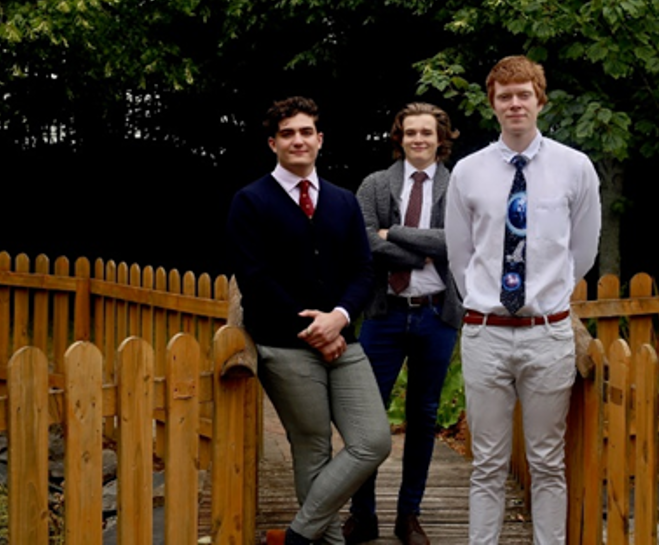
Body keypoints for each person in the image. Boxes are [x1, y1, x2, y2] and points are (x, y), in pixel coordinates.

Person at [444, 56, 601, 545]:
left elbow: (584, 250)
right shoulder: (469, 172)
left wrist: (546, 297)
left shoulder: (575, 168)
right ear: (493, 103)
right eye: (505, 95)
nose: (515, 103)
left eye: (524, 94)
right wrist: (484, 302)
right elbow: (459, 254)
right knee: (487, 462)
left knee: (547, 461)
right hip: (486, 334)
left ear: (539, 99)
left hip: (547, 335)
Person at [227, 96, 392, 545]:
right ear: (272, 143)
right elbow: (255, 278)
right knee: (313, 446)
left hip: (343, 340)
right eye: (287, 133)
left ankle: (299, 536)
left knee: (373, 442)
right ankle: (328, 544)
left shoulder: (342, 201)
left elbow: (363, 270)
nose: (297, 140)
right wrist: (312, 330)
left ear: (320, 139)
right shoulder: (250, 201)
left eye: (306, 132)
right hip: (284, 345)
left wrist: (337, 319)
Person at [344, 103, 462, 545]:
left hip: (436, 314)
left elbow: (459, 243)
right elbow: (364, 242)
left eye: (426, 133)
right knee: (366, 418)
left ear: (440, 138)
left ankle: (409, 516)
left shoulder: (459, 187)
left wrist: (394, 234)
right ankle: (363, 513)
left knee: (424, 416)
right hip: (384, 314)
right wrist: (425, 251)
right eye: (410, 132)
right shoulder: (375, 184)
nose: (418, 139)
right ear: (400, 137)